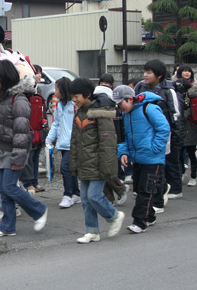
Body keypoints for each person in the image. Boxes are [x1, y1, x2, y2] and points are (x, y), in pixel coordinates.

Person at [0, 60, 48, 237]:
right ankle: (8, 227)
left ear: (5, 76)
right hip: (3, 150)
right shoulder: (2, 97)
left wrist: (18, 158)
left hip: (15, 151)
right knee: (5, 190)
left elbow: (22, 133)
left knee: (8, 188)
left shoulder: (18, 99)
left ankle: (39, 210)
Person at [69, 78, 124, 244]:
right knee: (85, 199)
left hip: (98, 163)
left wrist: (107, 167)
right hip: (85, 163)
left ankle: (114, 216)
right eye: (72, 96)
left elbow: (107, 142)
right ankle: (92, 231)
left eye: (76, 96)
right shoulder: (80, 111)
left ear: (87, 94)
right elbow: (75, 141)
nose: (74, 100)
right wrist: (74, 163)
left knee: (94, 196)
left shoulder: (100, 110)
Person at [113, 85, 170, 233]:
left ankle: (140, 221)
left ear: (130, 99)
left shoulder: (149, 108)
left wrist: (155, 148)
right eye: (117, 105)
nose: (120, 107)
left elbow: (164, 128)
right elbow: (124, 136)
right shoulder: (127, 114)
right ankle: (149, 217)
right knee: (139, 189)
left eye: (121, 103)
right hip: (137, 158)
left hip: (152, 159)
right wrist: (123, 153)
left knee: (145, 190)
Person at [135, 60, 184, 203]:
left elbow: (176, 114)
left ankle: (175, 188)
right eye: (145, 71)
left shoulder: (169, 90)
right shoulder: (140, 87)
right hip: (144, 132)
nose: (145, 75)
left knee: (169, 161)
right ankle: (159, 188)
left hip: (164, 132)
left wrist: (177, 137)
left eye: (149, 72)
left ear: (159, 75)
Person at [46, 77, 80, 208]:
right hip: (63, 142)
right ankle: (76, 194)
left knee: (65, 168)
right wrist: (49, 138)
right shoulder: (59, 104)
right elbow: (56, 123)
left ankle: (68, 195)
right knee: (70, 169)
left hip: (73, 142)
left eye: (56, 89)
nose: (55, 92)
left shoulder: (75, 104)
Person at [21, 64, 47, 194]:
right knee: (29, 155)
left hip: (38, 127)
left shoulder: (39, 90)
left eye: (40, 73)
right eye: (37, 73)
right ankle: (28, 182)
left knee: (36, 155)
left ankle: (35, 181)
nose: (40, 75)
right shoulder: (26, 91)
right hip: (30, 127)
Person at [175, 65, 197, 187]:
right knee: (180, 152)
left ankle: (194, 176)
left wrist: (181, 115)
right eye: (184, 71)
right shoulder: (175, 88)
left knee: (191, 152)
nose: (186, 73)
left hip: (191, 125)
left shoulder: (194, 90)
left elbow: (191, 110)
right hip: (181, 125)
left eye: (188, 71)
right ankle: (182, 173)